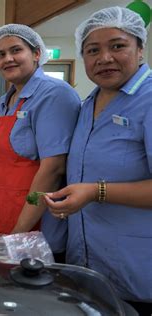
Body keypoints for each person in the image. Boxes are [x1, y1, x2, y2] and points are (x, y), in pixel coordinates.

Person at [44, 7, 152, 315]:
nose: (104, 58)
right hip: (88, 268)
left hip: (137, 273)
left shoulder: (148, 99)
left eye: (117, 46)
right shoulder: (88, 103)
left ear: (140, 48)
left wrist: (95, 192)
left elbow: (93, 185)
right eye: (93, 50)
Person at [0, 25, 81, 249]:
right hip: (0, 213)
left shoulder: (54, 94)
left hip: (34, 224)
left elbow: (53, 169)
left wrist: (18, 236)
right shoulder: (5, 100)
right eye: (1, 54)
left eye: (16, 50)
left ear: (36, 54)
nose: (7, 59)